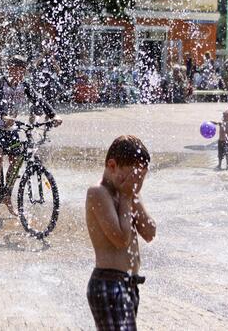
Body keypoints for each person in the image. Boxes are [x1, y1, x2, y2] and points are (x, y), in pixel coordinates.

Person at [85, 135, 156, 331]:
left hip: (129, 285)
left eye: (139, 178)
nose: (134, 182)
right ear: (112, 165)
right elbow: (121, 240)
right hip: (108, 283)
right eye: (131, 175)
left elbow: (150, 232)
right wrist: (126, 197)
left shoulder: (127, 192)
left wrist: (131, 195)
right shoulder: (98, 193)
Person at [0, 55, 62, 216]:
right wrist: (4, 115)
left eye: (22, 70)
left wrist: (53, 115)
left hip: (10, 127)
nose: (18, 73)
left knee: (16, 159)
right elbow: (0, 99)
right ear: (9, 68)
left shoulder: (24, 85)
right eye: (15, 69)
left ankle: (7, 197)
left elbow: (38, 99)